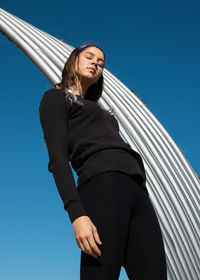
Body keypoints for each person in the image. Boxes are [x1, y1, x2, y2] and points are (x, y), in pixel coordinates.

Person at [39, 42, 167, 280]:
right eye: (89, 57)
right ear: (73, 60)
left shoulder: (104, 113)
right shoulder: (55, 98)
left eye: (101, 63)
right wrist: (77, 214)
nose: (96, 63)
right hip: (102, 187)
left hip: (137, 191)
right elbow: (58, 158)